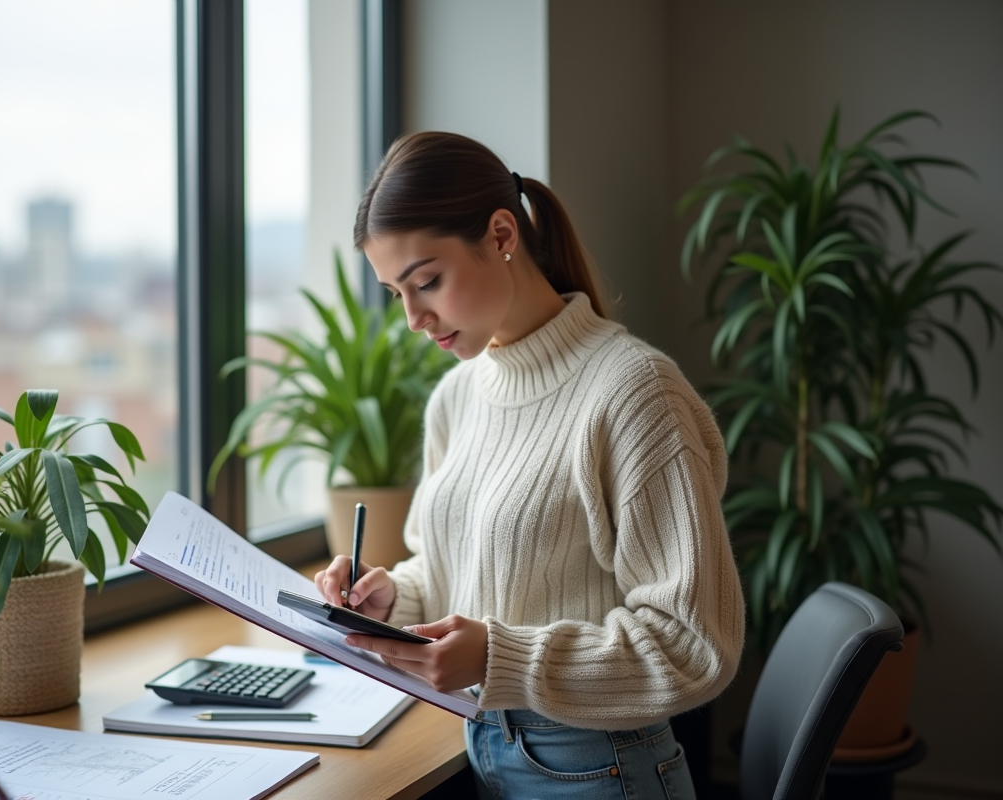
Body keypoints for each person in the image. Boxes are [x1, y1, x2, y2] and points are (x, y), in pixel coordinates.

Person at [314, 131, 745, 800]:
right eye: (396, 292)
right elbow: (451, 571)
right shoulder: (458, 396)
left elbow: (692, 647)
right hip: (486, 746)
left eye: (427, 281)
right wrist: (391, 599)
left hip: (603, 767)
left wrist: (496, 655)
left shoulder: (634, 392)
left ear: (501, 234)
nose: (412, 317)